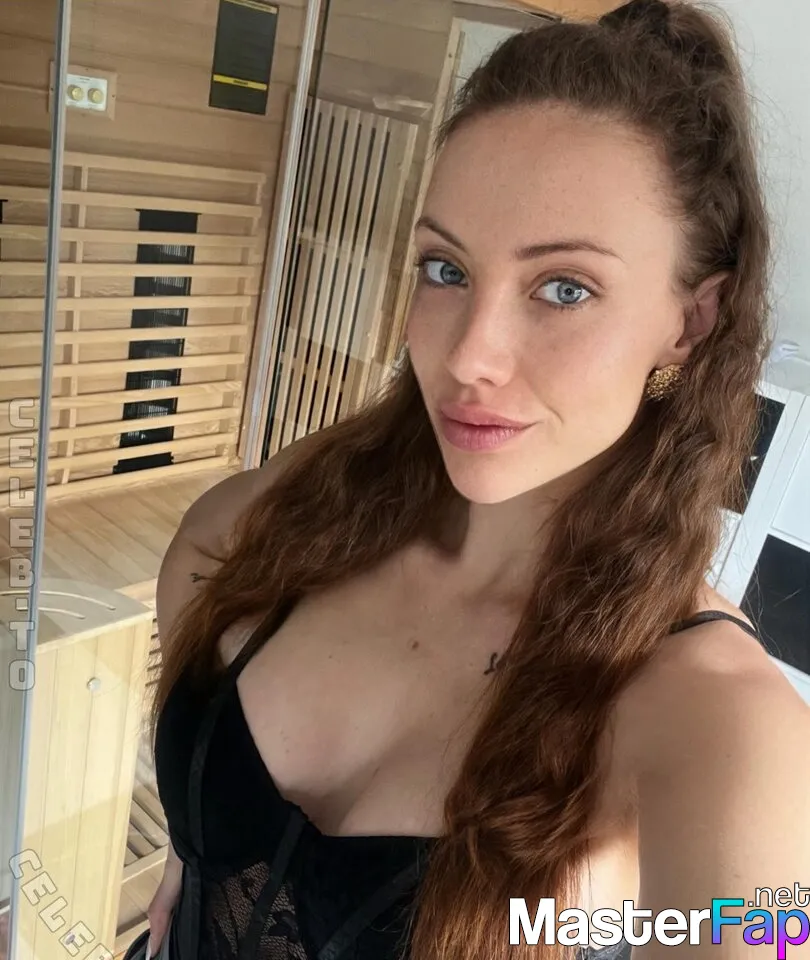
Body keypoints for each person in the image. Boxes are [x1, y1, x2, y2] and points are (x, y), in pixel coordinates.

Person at [143, 2, 810, 959]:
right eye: (446, 269)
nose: (469, 357)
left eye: (565, 288)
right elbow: (201, 558)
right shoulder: (306, 512)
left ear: (690, 323)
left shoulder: (727, 727)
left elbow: (769, 924)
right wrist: (189, 844)